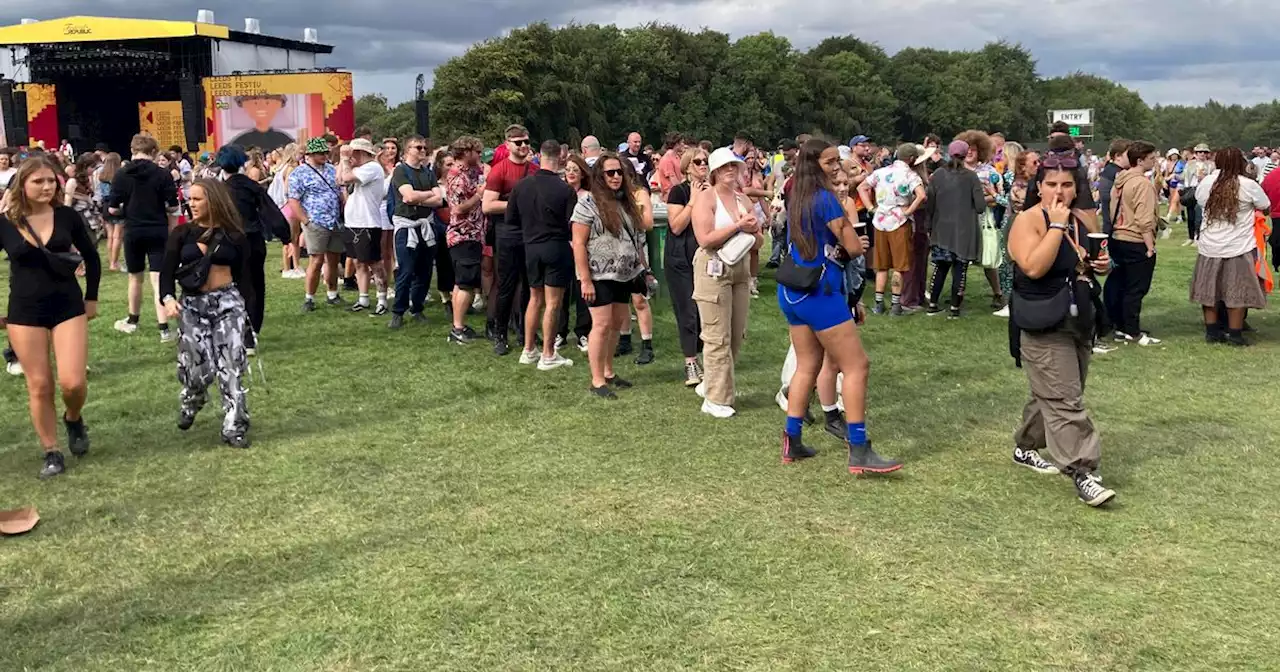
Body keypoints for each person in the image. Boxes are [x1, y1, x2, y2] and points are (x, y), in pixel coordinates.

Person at [776, 138, 901, 474]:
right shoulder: (826, 200)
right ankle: (859, 449)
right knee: (857, 366)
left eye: (837, 161)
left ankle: (793, 439)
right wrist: (854, 241)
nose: (837, 166)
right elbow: (853, 248)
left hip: (792, 290)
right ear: (815, 164)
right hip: (820, 291)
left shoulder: (796, 195)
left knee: (807, 365)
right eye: (830, 162)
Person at [1007, 150, 1116, 507]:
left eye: (1067, 185)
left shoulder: (1080, 220)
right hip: (1042, 319)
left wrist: (1099, 264)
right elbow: (1034, 267)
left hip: (1078, 317)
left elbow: (1082, 264)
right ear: (1039, 186)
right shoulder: (1029, 220)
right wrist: (1054, 226)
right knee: (1065, 398)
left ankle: (1025, 446)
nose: (1059, 191)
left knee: (1053, 392)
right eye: (1051, 184)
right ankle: (1083, 470)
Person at [0, 156, 101, 478]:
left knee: (73, 382)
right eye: (38, 181)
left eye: (50, 181)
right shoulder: (5, 222)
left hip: (67, 306)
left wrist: (92, 297)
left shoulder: (67, 216)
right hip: (24, 311)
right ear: (22, 185)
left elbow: (92, 257)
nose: (46, 187)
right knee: (39, 385)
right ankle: (51, 450)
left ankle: (73, 417)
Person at [160, 179, 255, 449]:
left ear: (213, 201)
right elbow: (166, 273)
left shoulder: (234, 235)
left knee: (231, 365)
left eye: (197, 199)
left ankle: (234, 424)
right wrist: (167, 299)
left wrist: (249, 319)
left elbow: (248, 279)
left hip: (227, 303)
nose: (191, 204)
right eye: (190, 199)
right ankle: (193, 398)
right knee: (197, 370)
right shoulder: (181, 234)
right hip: (191, 305)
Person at [688, 148, 761, 418]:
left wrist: (753, 230)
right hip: (713, 267)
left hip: (740, 268)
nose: (731, 170)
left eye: (735, 165)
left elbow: (758, 242)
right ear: (715, 171)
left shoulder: (743, 199)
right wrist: (739, 226)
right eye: (725, 166)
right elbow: (705, 238)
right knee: (717, 335)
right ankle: (716, 398)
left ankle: (713, 381)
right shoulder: (706, 198)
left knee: (736, 332)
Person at [572, 153, 646, 398]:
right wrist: (585, 279)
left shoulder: (626, 202)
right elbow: (579, 243)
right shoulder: (587, 203)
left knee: (618, 323)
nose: (616, 177)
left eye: (619, 172)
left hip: (623, 274)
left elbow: (636, 239)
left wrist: (643, 269)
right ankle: (596, 380)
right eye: (610, 173)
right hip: (598, 275)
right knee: (601, 325)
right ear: (599, 176)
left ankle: (608, 371)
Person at [506, 139, 576, 370]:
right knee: (553, 303)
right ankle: (548, 354)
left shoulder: (521, 186)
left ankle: (528, 349)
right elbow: (572, 224)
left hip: (530, 247)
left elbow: (511, 219)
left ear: (539, 156)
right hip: (556, 246)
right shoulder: (565, 189)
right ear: (561, 157)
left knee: (534, 299)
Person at [1193, 147, 1271, 345]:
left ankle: (1212, 332)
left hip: (1210, 245)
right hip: (1239, 246)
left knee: (1209, 292)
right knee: (1237, 291)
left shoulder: (1207, 182)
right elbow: (1265, 204)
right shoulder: (1247, 185)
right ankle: (1235, 334)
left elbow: (1199, 201)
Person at [107, 134, 179, 342]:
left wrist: (126, 209)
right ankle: (164, 328)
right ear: (154, 151)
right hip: (157, 229)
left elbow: (112, 208)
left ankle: (132, 320)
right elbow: (173, 206)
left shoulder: (121, 174)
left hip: (133, 230)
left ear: (132, 150)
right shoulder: (163, 174)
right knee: (158, 278)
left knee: (135, 277)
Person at [217, 144, 286, 348]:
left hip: (229, 241)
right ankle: (251, 332)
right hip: (253, 240)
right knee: (255, 285)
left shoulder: (219, 190)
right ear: (242, 163)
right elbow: (269, 210)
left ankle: (233, 329)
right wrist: (285, 235)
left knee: (231, 286)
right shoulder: (252, 186)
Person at [484, 124, 537, 355]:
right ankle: (500, 334)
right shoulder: (499, 170)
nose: (524, 146)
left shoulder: (535, 170)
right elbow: (487, 205)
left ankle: (527, 331)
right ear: (508, 145)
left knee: (530, 285)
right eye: (518, 142)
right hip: (506, 232)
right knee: (506, 285)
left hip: (531, 232)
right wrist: (516, 205)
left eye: (526, 141)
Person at [857, 143, 926, 316]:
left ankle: (878, 303)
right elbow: (921, 195)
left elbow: (861, 187)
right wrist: (910, 210)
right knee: (899, 266)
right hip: (900, 222)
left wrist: (871, 207)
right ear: (912, 159)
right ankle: (896, 305)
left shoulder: (881, 172)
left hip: (880, 220)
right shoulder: (911, 175)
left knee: (881, 265)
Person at [387, 135, 445, 329]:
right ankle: (398, 311)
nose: (422, 150)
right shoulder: (401, 171)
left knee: (425, 270)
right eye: (417, 147)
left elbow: (438, 200)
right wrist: (427, 194)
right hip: (407, 226)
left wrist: (420, 197)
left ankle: (417, 307)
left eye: (423, 148)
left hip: (425, 225)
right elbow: (408, 196)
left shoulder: (428, 173)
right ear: (407, 151)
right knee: (406, 270)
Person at [924, 140, 986, 318]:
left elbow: (930, 204)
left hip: (941, 229)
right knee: (960, 269)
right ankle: (954, 308)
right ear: (966, 154)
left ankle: (933, 304)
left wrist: (929, 225)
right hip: (964, 231)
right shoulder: (971, 177)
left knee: (940, 268)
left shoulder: (937, 175)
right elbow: (981, 206)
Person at [1108, 140, 1161, 346]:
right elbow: (1144, 219)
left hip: (1118, 236)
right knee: (1136, 288)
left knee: (1120, 284)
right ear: (1140, 160)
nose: (1154, 161)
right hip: (1136, 239)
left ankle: (1120, 326)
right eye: (1151, 158)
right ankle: (1132, 330)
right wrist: (1150, 247)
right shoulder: (1142, 183)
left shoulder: (1120, 179)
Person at [664, 147, 709, 387]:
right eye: (698, 161)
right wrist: (693, 201)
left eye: (705, 161)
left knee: (705, 310)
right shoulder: (678, 192)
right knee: (688, 311)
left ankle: (706, 358)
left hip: (704, 257)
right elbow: (676, 226)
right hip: (680, 259)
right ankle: (690, 361)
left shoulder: (711, 191)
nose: (703, 165)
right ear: (687, 167)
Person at [288, 137, 345, 312]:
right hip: (316, 221)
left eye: (326, 152)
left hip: (334, 221)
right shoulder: (298, 174)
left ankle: (332, 294)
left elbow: (340, 188)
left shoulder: (331, 169)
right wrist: (306, 221)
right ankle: (309, 298)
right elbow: (293, 200)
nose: (325, 155)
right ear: (310, 154)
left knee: (334, 259)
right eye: (321, 153)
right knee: (317, 260)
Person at [335, 138, 390, 315]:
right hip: (353, 222)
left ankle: (382, 300)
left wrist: (344, 159)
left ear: (361, 153)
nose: (351, 156)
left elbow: (346, 178)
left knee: (374, 263)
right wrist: (344, 161)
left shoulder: (372, 168)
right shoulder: (359, 168)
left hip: (367, 223)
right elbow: (339, 179)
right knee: (358, 262)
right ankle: (363, 298)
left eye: (354, 153)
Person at [445, 136, 487, 344]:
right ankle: (457, 328)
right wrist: (479, 195)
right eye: (476, 152)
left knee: (461, 283)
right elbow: (459, 208)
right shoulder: (458, 178)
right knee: (465, 284)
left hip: (473, 234)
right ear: (466, 152)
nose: (479, 155)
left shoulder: (470, 173)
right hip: (464, 234)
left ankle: (458, 324)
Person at [556, 155, 595, 352]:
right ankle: (559, 332)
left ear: (582, 174)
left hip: (582, 248)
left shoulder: (588, 196)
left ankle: (583, 332)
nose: (571, 173)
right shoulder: (559, 194)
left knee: (582, 291)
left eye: (575, 170)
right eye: (568, 169)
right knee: (561, 292)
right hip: (562, 247)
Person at [1181, 143, 1214, 246]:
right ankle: (1190, 237)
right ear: (1195, 153)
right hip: (1191, 190)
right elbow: (1185, 177)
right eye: (1200, 152)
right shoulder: (1190, 164)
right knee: (1190, 215)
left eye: (1205, 152)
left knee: (1199, 215)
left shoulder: (1211, 165)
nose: (1202, 154)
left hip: (1204, 191)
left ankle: (1198, 237)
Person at [97, 152, 124, 272]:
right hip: (116, 205)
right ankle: (114, 262)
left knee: (110, 236)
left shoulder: (101, 176)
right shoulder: (119, 175)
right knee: (117, 236)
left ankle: (111, 261)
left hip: (105, 205)